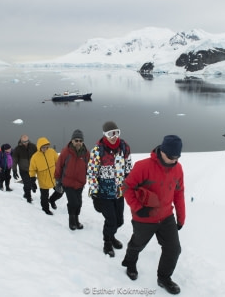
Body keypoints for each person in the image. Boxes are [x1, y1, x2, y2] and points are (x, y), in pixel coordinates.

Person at [121, 135, 185, 295]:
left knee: (174, 249)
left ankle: (164, 278)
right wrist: (137, 207)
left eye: (177, 157)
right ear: (162, 151)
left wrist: (181, 216)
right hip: (144, 216)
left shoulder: (178, 168)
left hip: (166, 216)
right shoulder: (143, 166)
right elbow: (127, 187)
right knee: (137, 244)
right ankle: (130, 263)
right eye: (170, 156)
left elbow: (179, 193)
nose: (173, 160)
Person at [87, 121, 132, 257]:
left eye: (116, 133)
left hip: (119, 192)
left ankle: (111, 236)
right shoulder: (98, 150)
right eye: (110, 134)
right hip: (104, 194)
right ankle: (107, 242)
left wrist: (129, 184)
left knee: (119, 221)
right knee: (111, 221)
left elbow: (128, 167)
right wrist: (94, 193)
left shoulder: (124, 147)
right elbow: (92, 173)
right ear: (105, 135)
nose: (113, 136)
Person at [55, 129, 89, 230]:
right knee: (73, 202)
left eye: (80, 141)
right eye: (76, 140)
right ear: (72, 141)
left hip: (80, 183)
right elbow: (59, 166)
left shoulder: (86, 153)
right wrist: (58, 181)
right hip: (68, 183)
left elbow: (89, 167)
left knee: (79, 203)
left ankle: (77, 219)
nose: (78, 142)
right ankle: (71, 220)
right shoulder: (66, 152)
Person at [29, 137, 59, 215]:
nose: (45, 149)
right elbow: (32, 170)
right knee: (44, 197)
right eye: (43, 147)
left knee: (60, 191)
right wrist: (32, 181)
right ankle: (45, 209)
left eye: (46, 147)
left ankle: (52, 200)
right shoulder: (35, 157)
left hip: (54, 178)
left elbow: (58, 162)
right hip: (43, 180)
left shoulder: (52, 152)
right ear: (39, 147)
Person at [12, 135, 38, 203]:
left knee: (31, 182)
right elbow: (14, 160)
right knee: (27, 183)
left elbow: (38, 155)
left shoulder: (33, 146)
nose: (25, 143)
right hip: (23, 169)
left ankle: (26, 193)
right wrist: (14, 170)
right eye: (24, 142)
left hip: (32, 169)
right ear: (21, 141)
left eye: (27, 141)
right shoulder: (17, 149)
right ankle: (28, 197)